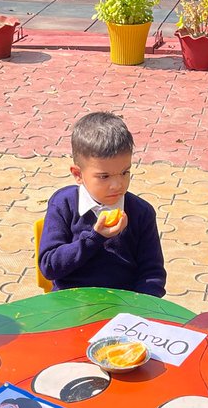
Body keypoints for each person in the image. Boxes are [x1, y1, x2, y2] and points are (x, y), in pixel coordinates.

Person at [38, 112, 166, 297]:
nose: (118, 184)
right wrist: (93, 238)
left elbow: (152, 274)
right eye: (104, 176)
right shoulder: (63, 204)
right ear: (78, 174)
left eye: (125, 172)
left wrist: (139, 308)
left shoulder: (141, 212)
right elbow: (50, 267)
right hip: (70, 302)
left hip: (124, 305)